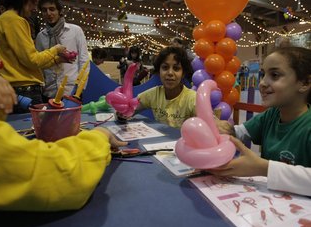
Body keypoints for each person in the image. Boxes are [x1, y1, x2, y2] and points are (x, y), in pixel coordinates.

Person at [0, 0, 127, 211]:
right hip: (43, 91)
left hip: (66, 90)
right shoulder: (33, 30)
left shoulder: (73, 30)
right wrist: (100, 136)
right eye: (41, 8)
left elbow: (82, 61)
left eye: (51, 8)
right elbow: (53, 171)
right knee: (47, 136)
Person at [211, 47, 311, 189]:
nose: (262, 83)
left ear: (305, 83)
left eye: (275, 75)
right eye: (263, 75)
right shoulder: (271, 115)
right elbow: (238, 132)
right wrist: (224, 128)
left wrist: (263, 168)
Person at [0, 0, 71, 114]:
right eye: (31, 3)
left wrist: (57, 60)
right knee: (34, 132)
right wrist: (56, 49)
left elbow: (26, 62)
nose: (33, 8)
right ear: (22, 1)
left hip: (18, 89)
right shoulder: (14, 20)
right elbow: (33, 60)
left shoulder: (5, 20)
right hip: (25, 91)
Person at [121, 46, 196, 128]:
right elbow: (128, 110)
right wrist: (121, 113)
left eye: (176, 68)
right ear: (159, 71)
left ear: (183, 73)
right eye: (165, 67)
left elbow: (208, 128)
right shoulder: (154, 94)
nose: (170, 73)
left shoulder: (193, 99)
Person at [36, 0, 90, 101]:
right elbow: (39, 65)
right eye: (44, 10)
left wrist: (81, 88)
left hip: (72, 91)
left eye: (52, 9)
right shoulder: (41, 36)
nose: (48, 13)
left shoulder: (75, 31)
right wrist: (41, 87)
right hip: (49, 91)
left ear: (60, 11)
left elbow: (84, 60)